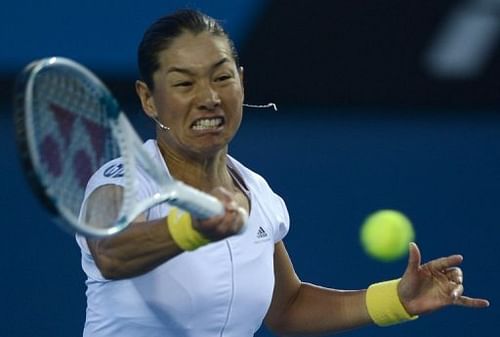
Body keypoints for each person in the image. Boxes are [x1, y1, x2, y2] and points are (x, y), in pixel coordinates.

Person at [76, 9, 490, 337]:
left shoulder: (256, 192)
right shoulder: (121, 182)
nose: (208, 98)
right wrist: (190, 229)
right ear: (148, 99)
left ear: (241, 83)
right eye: (184, 84)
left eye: (222, 78)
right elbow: (111, 253)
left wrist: (397, 300)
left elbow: (288, 308)